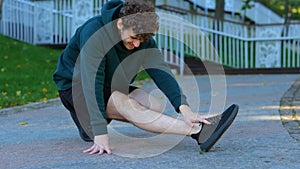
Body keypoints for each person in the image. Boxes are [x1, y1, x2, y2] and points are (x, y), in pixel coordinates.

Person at [53, 0, 239, 156]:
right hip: (75, 87)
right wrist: (101, 132)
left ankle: (87, 123)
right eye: (133, 38)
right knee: (124, 103)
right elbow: (92, 82)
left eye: (141, 41)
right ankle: (198, 132)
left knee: (153, 105)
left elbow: (161, 72)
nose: (136, 45)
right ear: (120, 23)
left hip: (111, 85)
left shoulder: (142, 38)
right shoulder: (94, 32)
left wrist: (185, 109)